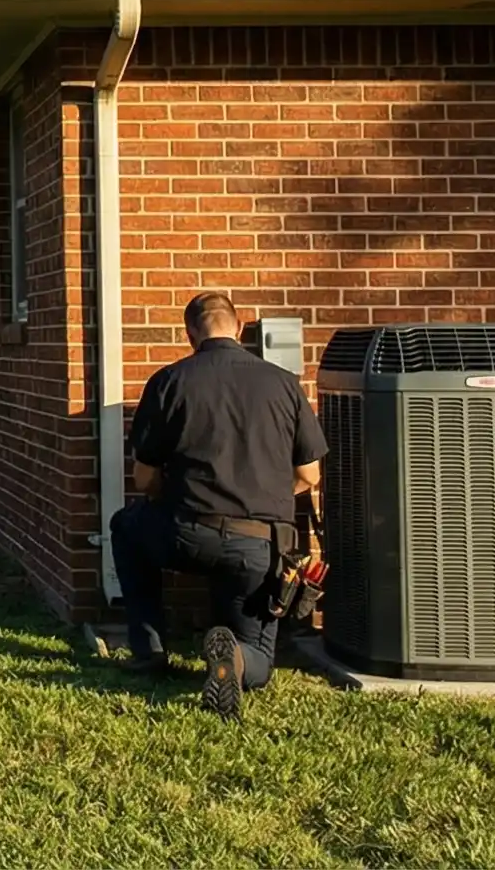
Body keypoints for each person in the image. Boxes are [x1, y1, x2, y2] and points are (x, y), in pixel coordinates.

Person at [108, 291, 328, 719]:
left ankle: (149, 651)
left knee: (126, 528)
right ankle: (238, 659)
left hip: (183, 531)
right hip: (257, 546)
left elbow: (145, 478)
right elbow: (309, 476)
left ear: (190, 334)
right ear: (241, 328)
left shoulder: (170, 380)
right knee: (261, 655)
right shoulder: (283, 384)